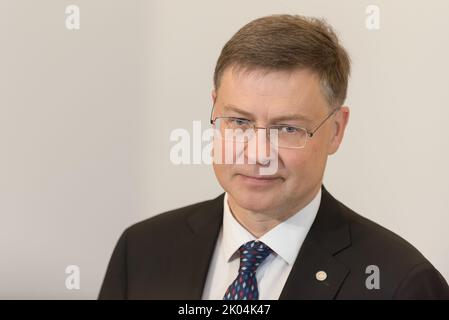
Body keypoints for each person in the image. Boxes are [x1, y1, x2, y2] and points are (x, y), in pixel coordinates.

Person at [98, 14, 449, 300]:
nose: (257, 154)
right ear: (214, 109)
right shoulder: (142, 251)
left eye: (287, 129)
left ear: (337, 130)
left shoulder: (402, 285)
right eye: (238, 122)